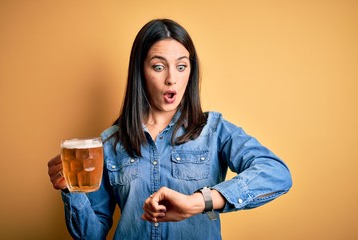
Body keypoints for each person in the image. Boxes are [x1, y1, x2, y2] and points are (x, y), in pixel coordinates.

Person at [48, 18, 292, 240]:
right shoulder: (110, 143)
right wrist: (72, 191)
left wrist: (200, 201)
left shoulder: (215, 131)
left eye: (181, 66)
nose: (171, 79)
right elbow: (90, 235)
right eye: (158, 66)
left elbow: (277, 173)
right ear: (140, 72)